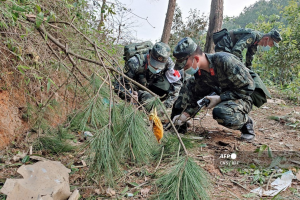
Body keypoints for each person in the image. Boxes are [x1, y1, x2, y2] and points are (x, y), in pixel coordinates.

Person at [171, 37, 256, 141]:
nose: (183, 69)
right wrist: (186, 114)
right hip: (220, 94)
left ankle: (246, 124)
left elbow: (248, 88)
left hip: (242, 97)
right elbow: (197, 95)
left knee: (221, 112)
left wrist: (220, 98)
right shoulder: (200, 73)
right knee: (188, 85)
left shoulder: (225, 61)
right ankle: (178, 124)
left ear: (196, 59)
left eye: (185, 65)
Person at [114, 42, 182, 115]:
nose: (156, 68)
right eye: (154, 64)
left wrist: (166, 106)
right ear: (149, 56)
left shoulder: (169, 63)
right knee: (146, 97)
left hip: (153, 85)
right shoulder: (134, 62)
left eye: (159, 66)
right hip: (137, 89)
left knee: (181, 78)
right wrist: (130, 95)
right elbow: (119, 86)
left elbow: (177, 85)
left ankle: (153, 106)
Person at [213, 28, 282, 69]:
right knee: (224, 67)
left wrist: (249, 72)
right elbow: (236, 51)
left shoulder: (255, 43)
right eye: (272, 43)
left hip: (229, 47)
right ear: (267, 39)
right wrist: (241, 67)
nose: (271, 46)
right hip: (224, 45)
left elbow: (249, 58)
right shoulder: (253, 36)